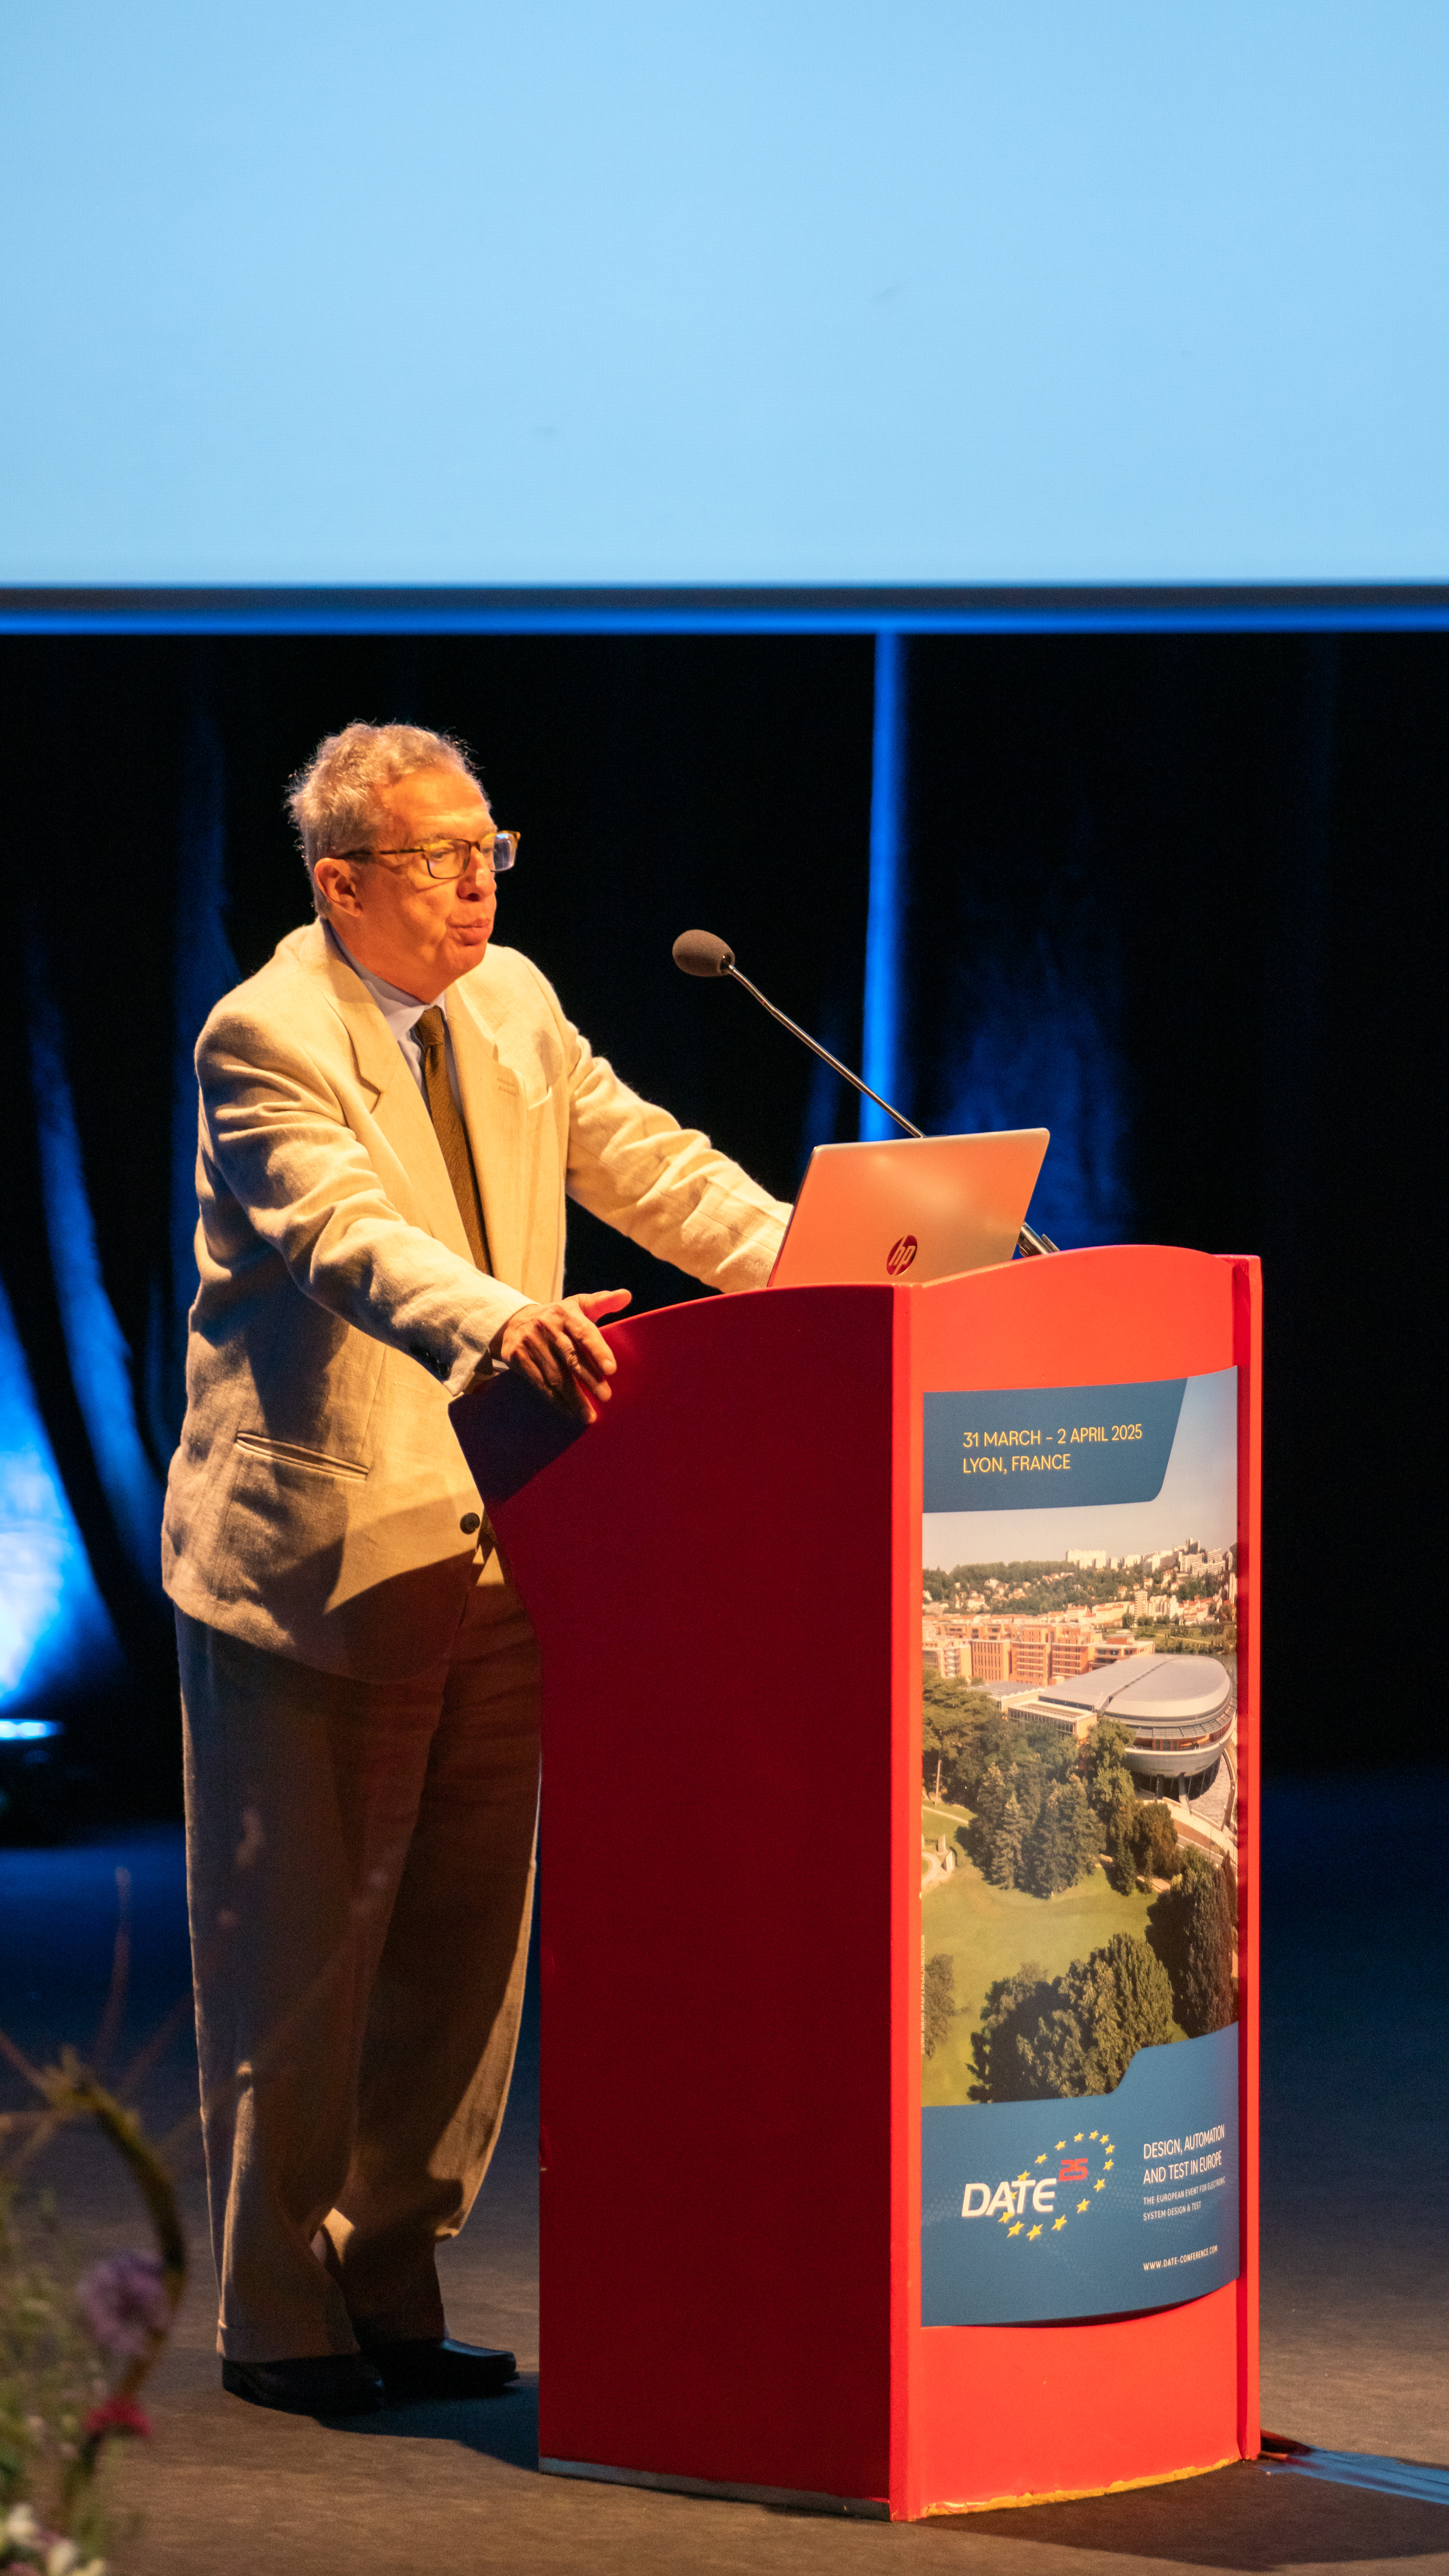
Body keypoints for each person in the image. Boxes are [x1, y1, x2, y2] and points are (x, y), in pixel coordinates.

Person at [162, 721, 789, 2414]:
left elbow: (648, 1163)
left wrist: (827, 1274)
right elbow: (344, 1234)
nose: (477, 882)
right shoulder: (264, 1034)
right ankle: (275, 2313)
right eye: (440, 857)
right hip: (318, 1562)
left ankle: (390, 2277)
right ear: (339, 885)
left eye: (489, 847)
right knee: (303, 1962)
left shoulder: (511, 1002)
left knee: (462, 1964)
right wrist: (501, 1320)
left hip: (507, 1546)